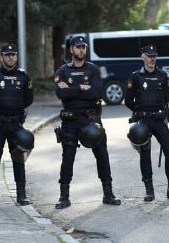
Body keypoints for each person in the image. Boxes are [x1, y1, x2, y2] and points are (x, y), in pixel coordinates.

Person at [53, 35, 121, 209]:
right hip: (70, 121)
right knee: (67, 159)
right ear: (71, 50)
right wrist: (81, 88)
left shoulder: (93, 70)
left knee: (102, 156)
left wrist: (71, 90)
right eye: (78, 47)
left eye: (83, 47)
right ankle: (64, 197)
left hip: (91, 119)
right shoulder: (62, 71)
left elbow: (96, 93)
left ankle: (108, 194)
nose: (81, 50)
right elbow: (60, 94)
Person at [125, 44, 169, 202]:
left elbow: (166, 98)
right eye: (149, 56)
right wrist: (138, 111)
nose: (152, 59)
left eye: (154, 56)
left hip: (159, 120)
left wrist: (165, 115)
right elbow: (128, 100)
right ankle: (149, 190)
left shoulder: (162, 76)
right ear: (143, 57)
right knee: (145, 154)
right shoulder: (135, 77)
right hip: (144, 120)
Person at [0, 44, 34, 206]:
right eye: (7, 55)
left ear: (16, 56)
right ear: (1, 57)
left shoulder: (24, 77)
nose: (10, 57)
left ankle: (21, 195)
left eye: (13, 55)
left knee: (19, 158)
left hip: (15, 124)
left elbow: (28, 99)